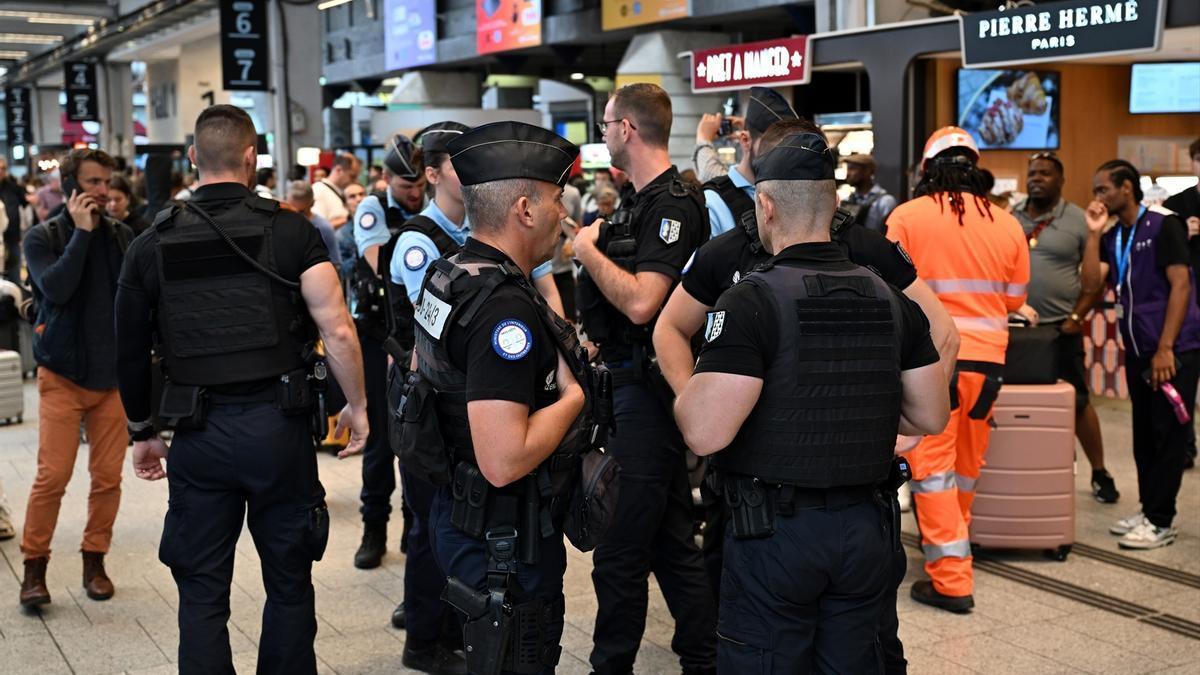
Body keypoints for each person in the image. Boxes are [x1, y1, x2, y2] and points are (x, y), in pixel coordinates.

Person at [654, 117, 960, 675]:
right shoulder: (892, 298)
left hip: (776, 531)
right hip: (868, 526)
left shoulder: (750, 301)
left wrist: (691, 393)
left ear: (765, 206)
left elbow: (704, 431)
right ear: (832, 202)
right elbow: (931, 415)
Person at [114, 104, 369, 673]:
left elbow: (128, 349)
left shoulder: (150, 243)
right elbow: (337, 328)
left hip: (197, 436)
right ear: (253, 157)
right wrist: (356, 405)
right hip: (279, 430)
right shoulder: (290, 230)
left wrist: (142, 432)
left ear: (191, 160)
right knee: (288, 582)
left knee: (201, 591)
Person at [411, 120, 590, 675]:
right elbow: (503, 458)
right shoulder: (502, 310)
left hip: (463, 516)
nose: (565, 214)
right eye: (557, 200)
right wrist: (573, 400)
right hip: (502, 537)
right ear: (525, 208)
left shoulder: (451, 273)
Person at [573, 82, 717, 675]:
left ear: (627, 129)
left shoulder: (673, 205)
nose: (604, 134)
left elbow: (642, 303)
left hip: (651, 396)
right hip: (627, 388)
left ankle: (613, 666)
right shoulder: (636, 201)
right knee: (671, 543)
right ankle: (705, 660)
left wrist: (585, 251)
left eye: (606, 124)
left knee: (620, 553)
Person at [886, 126, 1029, 613]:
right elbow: (1015, 300)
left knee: (932, 470)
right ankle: (952, 552)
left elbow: (885, 289)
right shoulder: (1008, 223)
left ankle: (950, 579)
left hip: (931, 362)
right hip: (988, 362)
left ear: (927, 169)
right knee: (966, 469)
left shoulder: (907, 216)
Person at [19, 148, 135, 608]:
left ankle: (95, 560)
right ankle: (34, 568)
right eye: (92, 183)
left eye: (106, 182)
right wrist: (82, 236)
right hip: (62, 375)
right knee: (53, 476)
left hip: (112, 379)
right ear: (70, 187)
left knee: (107, 479)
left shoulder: (124, 236)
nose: (103, 191)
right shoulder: (41, 237)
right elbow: (56, 290)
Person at [1085, 159, 1200, 550]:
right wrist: (1091, 234)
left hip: (1173, 350)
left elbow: (1181, 286)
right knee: (1145, 437)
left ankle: (1162, 520)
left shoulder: (1163, 224)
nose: (1097, 197)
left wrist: (1166, 347)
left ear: (1127, 188)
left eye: (1103, 189)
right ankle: (1149, 509)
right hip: (1137, 351)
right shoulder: (1114, 234)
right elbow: (1091, 281)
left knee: (1169, 436)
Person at [1011, 152, 1116, 501]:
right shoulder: (1011, 217)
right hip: (1015, 328)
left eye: (1045, 174)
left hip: (1060, 328)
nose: (1036, 179)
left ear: (1061, 180)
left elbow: (1094, 279)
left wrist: (1076, 318)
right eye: (1032, 173)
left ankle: (1100, 472)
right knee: (1015, 404)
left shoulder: (1078, 219)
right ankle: (1021, 469)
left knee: (1078, 401)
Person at [349, 132, 430, 571]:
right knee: (382, 439)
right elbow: (381, 265)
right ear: (385, 178)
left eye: (420, 186)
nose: (415, 194)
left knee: (416, 439)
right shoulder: (372, 210)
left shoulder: (430, 210)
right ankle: (372, 528)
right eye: (406, 187)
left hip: (420, 337)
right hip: (378, 335)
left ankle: (410, 525)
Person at [694, 86, 798, 207]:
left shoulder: (784, 191)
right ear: (745, 140)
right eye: (771, 146)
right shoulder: (715, 200)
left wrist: (703, 139)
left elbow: (711, 173)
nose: (779, 155)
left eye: (786, 148)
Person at [1164, 138, 1200, 470]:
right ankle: (1185, 445)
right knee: (1185, 384)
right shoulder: (1176, 205)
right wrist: (1183, 237)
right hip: (1187, 310)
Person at [286, 180, 343, 272]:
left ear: (312, 203)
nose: (296, 216)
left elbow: (334, 265)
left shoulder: (323, 228)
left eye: (301, 212)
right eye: (292, 210)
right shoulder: (282, 225)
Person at [842, 153, 898, 233]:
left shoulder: (885, 202)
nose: (848, 174)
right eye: (847, 169)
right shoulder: (847, 200)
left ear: (867, 171)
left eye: (852, 169)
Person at [312, 153, 361, 228]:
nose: (354, 180)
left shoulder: (341, 190)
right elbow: (317, 227)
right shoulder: (319, 190)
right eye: (352, 176)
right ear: (339, 170)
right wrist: (349, 218)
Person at [0, 159, 26, 281]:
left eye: (3, 168)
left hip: (12, 237)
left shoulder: (13, 187)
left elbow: (26, 201)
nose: (1, 171)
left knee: (14, 274)